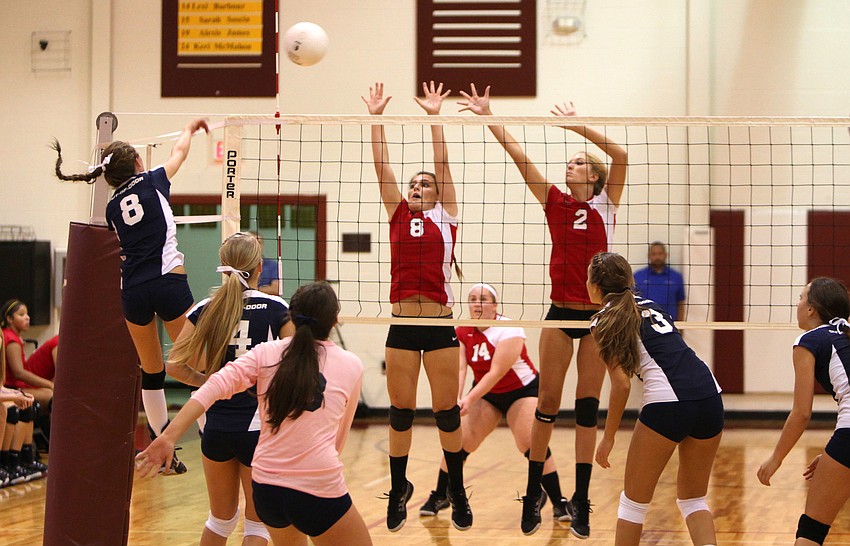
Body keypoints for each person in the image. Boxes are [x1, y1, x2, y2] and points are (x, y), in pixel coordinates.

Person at [459, 85, 628, 537]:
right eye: (569, 161)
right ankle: (534, 492)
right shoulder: (555, 200)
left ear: (594, 176)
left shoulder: (606, 204)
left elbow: (621, 155)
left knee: (587, 407)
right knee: (548, 404)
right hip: (559, 313)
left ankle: (582, 501)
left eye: (579, 162)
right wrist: (488, 116)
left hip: (596, 319)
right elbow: (519, 156)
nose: (570, 165)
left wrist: (577, 127)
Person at [137, 282, 370, 546]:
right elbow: (338, 437)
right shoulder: (351, 365)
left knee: (227, 520)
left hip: (268, 488)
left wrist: (168, 436)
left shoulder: (266, 353)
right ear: (335, 321)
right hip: (316, 485)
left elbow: (211, 388)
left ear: (292, 317)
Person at [52, 118, 210, 474]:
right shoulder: (154, 179)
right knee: (198, 364)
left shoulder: (111, 209)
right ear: (138, 162)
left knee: (151, 371)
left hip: (133, 291)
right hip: (167, 282)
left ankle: (162, 448)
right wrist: (188, 129)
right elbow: (179, 152)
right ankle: (209, 433)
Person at [362, 80, 472, 532]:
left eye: (424, 184)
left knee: (446, 413)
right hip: (403, 326)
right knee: (401, 413)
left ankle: (457, 490)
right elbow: (381, 166)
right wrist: (375, 119)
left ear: (437, 193)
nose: (416, 187)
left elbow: (442, 163)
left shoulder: (446, 216)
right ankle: (398, 490)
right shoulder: (398, 214)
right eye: (413, 184)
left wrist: (434, 118)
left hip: (440, 325)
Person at [166, 232, 294, 546]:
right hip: (258, 426)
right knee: (258, 524)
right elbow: (297, 365)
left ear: (223, 266)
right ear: (260, 267)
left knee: (220, 520)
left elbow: (174, 367)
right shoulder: (277, 307)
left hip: (215, 425)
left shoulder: (205, 308)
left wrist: (212, 384)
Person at [588, 252, 723, 546]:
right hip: (710, 395)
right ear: (628, 280)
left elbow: (621, 384)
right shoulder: (652, 305)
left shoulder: (602, 319)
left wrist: (608, 437)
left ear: (595, 287)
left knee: (633, 504)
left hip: (668, 401)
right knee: (693, 499)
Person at [419, 283, 570, 524]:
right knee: (459, 441)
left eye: (483, 299)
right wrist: (457, 399)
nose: (477, 304)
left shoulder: (508, 329)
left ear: (495, 305)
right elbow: (460, 368)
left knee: (530, 442)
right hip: (488, 395)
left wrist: (469, 399)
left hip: (522, 390)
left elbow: (496, 372)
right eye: (472, 299)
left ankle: (559, 502)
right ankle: (440, 495)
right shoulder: (462, 331)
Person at [757, 277, 850, 546]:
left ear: (811, 309)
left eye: (801, 298)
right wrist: (834, 457)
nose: (797, 304)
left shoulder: (809, 340)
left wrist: (776, 459)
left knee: (811, 531)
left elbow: (801, 413)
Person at [2, 300, 54, 409]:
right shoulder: (12, 340)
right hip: (11, 388)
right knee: (50, 394)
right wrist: (49, 384)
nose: (27, 318)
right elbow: (19, 373)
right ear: (10, 319)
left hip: (14, 386)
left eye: (27, 314)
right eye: (21, 315)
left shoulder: (9, 336)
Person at [632, 241, 686, 321]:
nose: (657, 257)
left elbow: (681, 303)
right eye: (654, 254)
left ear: (666, 255)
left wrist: (680, 325)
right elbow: (632, 302)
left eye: (660, 254)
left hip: (670, 324)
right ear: (649, 256)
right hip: (644, 323)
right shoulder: (638, 276)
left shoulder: (676, 277)